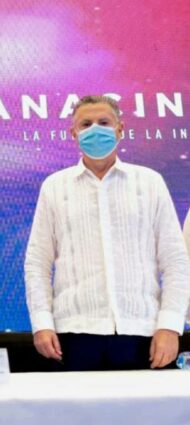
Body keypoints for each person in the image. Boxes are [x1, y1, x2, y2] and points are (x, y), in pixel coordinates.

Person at [25, 95, 190, 371]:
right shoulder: (54, 186)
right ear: (73, 133)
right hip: (73, 333)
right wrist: (41, 323)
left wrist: (170, 325)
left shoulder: (149, 182)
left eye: (104, 122)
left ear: (120, 130)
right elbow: (37, 263)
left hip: (143, 331)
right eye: (86, 124)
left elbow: (175, 261)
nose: (95, 130)